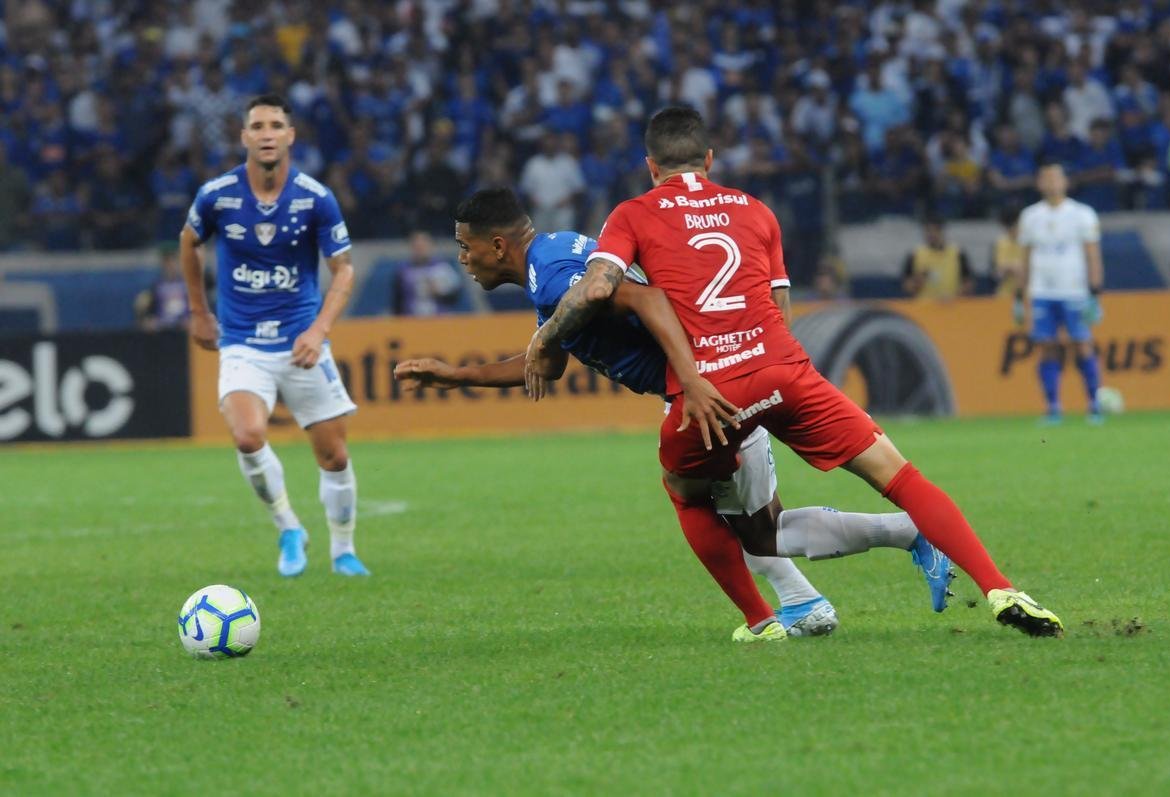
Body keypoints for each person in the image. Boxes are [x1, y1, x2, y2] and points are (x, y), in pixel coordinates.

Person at [527, 106, 1063, 639]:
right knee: (900, 475)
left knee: (684, 490)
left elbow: (597, 289)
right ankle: (1001, 589)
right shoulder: (757, 210)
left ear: (651, 166)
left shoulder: (632, 214)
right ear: (710, 159)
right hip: (784, 368)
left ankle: (761, 622)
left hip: (710, 387)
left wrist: (543, 338)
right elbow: (780, 309)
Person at [393, 188, 954, 639]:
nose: (462, 260)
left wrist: (690, 379)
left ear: (497, 244)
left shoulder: (555, 271)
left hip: (709, 392)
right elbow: (549, 361)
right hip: (708, 385)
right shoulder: (553, 263)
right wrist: (454, 375)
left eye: (465, 247)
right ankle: (810, 600)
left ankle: (885, 547)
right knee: (758, 529)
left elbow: (644, 299)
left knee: (752, 528)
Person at [180, 93, 369, 578]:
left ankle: (343, 550)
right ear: (244, 136)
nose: (266, 133)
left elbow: (344, 270)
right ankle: (289, 527)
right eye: (257, 125)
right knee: (247, 435)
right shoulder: (218, 194)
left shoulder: (315, 197)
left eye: (275, 125)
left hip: (302, 343)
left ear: (289, 136)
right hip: (242, 342)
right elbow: (188, 241)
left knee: (334, 454)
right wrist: (199, 311)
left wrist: (319, 330)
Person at [1014, 162, 1106, 424]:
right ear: (1039, 183)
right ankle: (1053, 406)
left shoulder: (1082, 214)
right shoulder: (1030, 216)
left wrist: (1095, 293)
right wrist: (1021, 297)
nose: (1051, 183)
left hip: (1074, 291)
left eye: (1056, 177)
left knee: (1082, 344)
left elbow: (1092, 255)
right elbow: (1025, 258)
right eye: (1046, 178)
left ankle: (1093, 404)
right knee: (1046, 348)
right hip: (1042, 291)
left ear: (1065, 182)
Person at [390, 230, 465, 316]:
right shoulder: (403, 270)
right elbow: (397, 300)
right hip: (411, 320)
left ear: (430, 245)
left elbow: (455, 297)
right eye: (417, 246)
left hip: (438, 320)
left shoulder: (442, 267)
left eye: (423, 245)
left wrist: (440, 293)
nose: (420, 249)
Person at [900, 215, 974, 300]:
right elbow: (907, 288)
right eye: (928, 231)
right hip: (924, 307)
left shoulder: (958, 253)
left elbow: (968, 283)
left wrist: (955, 297)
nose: (931, 234)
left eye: (935, 230)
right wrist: (918, 281)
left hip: (952, 307)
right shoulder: (914, 255)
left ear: (942, 231)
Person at [990, 204, 1024, 298]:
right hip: (1005, 295)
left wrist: (1009, 267)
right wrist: (1013, 267)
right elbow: (997, 272)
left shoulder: (1029, 242)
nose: (1012, 230)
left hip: (1027, 293)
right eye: (1008, 227)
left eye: (1015, 225)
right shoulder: (999, 243)